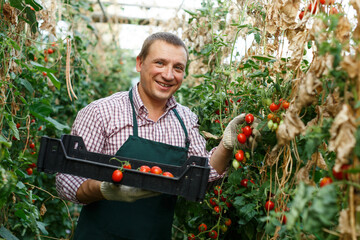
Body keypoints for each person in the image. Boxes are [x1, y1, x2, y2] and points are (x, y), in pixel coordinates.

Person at [56, 32, 257, 240]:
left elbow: (202, 177)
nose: (169, 75)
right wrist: (104, 189)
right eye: (160, 63)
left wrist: (226, 145)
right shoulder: (101, 112)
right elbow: (66, 181)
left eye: (178, 67)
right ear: (140, 63)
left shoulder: (186, 120)